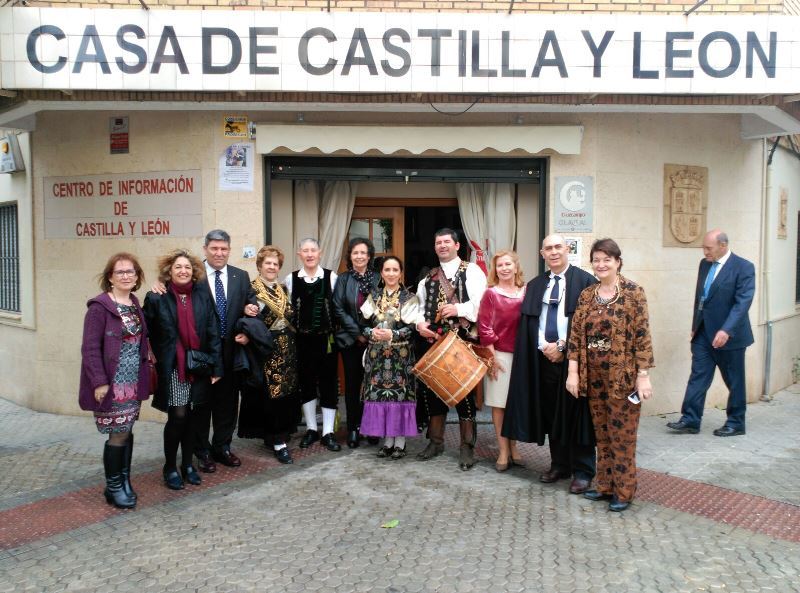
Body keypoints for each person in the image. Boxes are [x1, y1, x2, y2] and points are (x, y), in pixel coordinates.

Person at [152, 230, 256, 472]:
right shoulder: (193, 274)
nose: (219, 253)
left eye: (224, 249)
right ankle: (202, 451)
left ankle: (223, 447)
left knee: (228, 404)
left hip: (231, 352)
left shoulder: (241, 276)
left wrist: (251, 314)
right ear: (205, 249)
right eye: (214, 248)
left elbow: (252, 302)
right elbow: (171, 290)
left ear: (229, 250)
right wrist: (158, 284)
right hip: (200, 355)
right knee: (200, 405)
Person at [503, 234, 598, 494]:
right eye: (548, 248)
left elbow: (589, 325)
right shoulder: (535, 285)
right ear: (542, 254)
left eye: (558, 247)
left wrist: (563, 347)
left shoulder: (586, 282)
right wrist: (545, 348)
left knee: (577, 414)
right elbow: (531, 325)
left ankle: (583, 470)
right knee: (551, 413)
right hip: (543, 358)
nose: (554, 252)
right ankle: (560, 464)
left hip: (575, 360)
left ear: (567, 249)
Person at [566, 238, 654, 512]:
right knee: (602, 433)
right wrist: (573, 372)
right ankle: (604, 485)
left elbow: (642, 336)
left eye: (607, 259)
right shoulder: (587, 295)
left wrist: (643, 375)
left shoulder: (633, 292)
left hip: (622, 377)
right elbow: (576, 335)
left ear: (618, 262)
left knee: (622, 436)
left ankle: (624, 491)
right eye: (597, 260)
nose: (601, 264)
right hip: (593, 376)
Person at [144, 249, 223, 490]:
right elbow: (145, 331)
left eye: (187, 267)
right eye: (178, 267)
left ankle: (188, 465)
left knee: (193, 418)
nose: (183, 271)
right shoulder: (157, 297)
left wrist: (216, 366)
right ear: (169, 271)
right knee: (178, 416)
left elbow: (213, 331)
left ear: (194, 271)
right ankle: (170, 467)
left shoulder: (202, 295)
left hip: (199, 365)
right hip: (173, 367)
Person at [79, 253, 151, 509]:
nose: (126, 276)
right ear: (110, 277)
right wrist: (99, 382)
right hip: (112, 383)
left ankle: (124, 481)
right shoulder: (99, 308)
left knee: (127, 429)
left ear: (137, 277)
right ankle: (113, 487)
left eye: (131, 271)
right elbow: (90, 348)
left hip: (133, 381)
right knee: (117, 433)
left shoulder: (134, 303)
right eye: (120, 272)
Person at [667, 230, 755, 437]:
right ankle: (690, 419)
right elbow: (701, 298)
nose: (705, 252)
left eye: (709, 248)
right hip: (703, 333)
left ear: (723, 245)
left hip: (730, 337)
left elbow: (743, 302)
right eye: (703, 247)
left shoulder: (743, 267)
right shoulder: (704, 264)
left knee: (734, 381)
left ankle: (736, 423)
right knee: (698, 376)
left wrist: (726, 329)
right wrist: (695, 325)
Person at [415, 228, 487, 470]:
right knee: (432, 392)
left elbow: (482, 304)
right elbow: (418, 308)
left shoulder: (472, 271)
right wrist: (419, 324)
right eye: (438, 242)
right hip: (434, 342)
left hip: (461, 342)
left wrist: (458, 309)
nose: (442, 246)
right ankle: (436, 442)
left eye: (447, 241)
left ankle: (467, 447)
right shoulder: (428, 277)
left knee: (464, 394)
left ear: (457, 245)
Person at [236, 245, 298, 464]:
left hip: (288, 350)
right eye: (268, 263)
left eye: (275, 264)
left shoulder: (284, 289)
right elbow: (240, 317)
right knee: (270, 396)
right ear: (259, 266)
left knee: (285, 395)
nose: (272, 267)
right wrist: (245, 333)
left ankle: (279, 434)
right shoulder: (250, 290)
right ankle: (277, 440)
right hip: (265, 350)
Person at [359, 256, 420, 459]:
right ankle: (387, 441)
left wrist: (393, 334)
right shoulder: (374, 296)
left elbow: (413, 328)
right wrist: (371, 332)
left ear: (400, 273)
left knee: (399, 397)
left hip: (401, 356)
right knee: (381, 397)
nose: (391, 273)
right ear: (382, 273)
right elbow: (362, 324)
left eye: (395, 270)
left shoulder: (409, 297)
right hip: (377, 356)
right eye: (387, 270)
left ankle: (400, 442)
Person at [284, 238, 341, 451]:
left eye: (313, 250)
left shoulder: (331, 277)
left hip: (327, 341)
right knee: (306, 383)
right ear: (299, 254)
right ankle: (311, 429)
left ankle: (328, 432)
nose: (309, 254)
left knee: (328, 383)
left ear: (320, 253)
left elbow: (337, 308)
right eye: (305, 251)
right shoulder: (291, 279)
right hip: (301, 341)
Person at [476, 250, 526, 473]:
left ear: (516, 267)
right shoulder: (491, 294)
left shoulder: (526, 292)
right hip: (499, 354)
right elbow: (484, 327)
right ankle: (503, 450)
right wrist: (492, 358)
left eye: (508, 264)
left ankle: (514, 447)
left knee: (516, 404)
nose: (504, 268)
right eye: (499, 265)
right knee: (499, 404)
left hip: (523, 356)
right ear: (495, 270)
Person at [332, 238, 379, 448]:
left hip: (375, 341)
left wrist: (372, 333)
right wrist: (358, 333)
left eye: (363, 253)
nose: (359, 256)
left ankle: (371, 427)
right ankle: (353, 427)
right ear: (350, 256)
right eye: (355, 253)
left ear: (369, 256)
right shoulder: (343, 279)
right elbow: (338, 308)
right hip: (350, 340)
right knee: (352, 386)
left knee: (373, 385)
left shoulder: (378, 278)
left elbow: (386, 306)